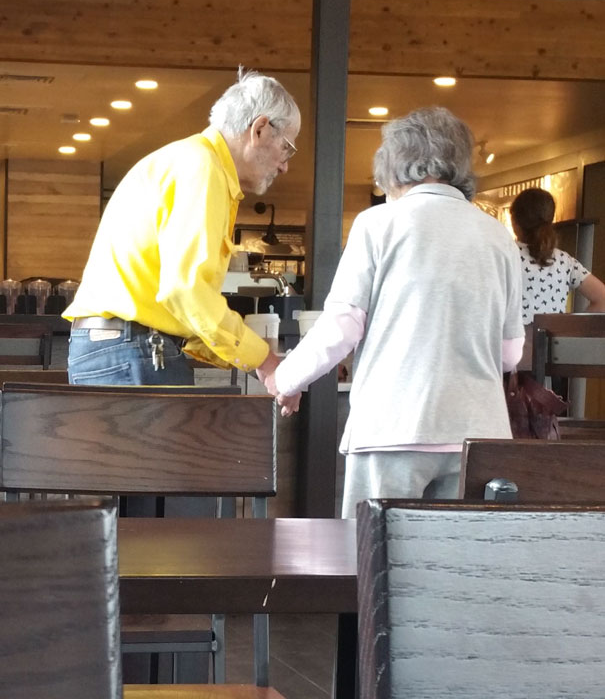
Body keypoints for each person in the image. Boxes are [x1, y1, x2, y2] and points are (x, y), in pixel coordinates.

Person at [260, 106, 525, 517]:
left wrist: (287, 379)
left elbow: (343, 327)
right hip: (479, 437)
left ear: (394, 166)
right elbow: (510, 355)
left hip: (392, 428)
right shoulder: (499, 237)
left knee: (374, 563)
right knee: (458, 576)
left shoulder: (377, 224)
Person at [64, 68, 300, 385]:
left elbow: (180, 301)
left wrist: (250, 357)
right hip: (133, 349)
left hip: (115, 346)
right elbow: (187, 290)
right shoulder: (204, 169)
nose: (285, 165)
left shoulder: (187, 159)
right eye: (287, 146)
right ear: (259, 129)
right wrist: (266, 360)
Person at [510, 187, 605, 370]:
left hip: (510, 365)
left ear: (514, 222)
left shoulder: (504, 255)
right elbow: (602, 298)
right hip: (551, 365)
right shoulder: (564, 260)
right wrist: (568, 332)